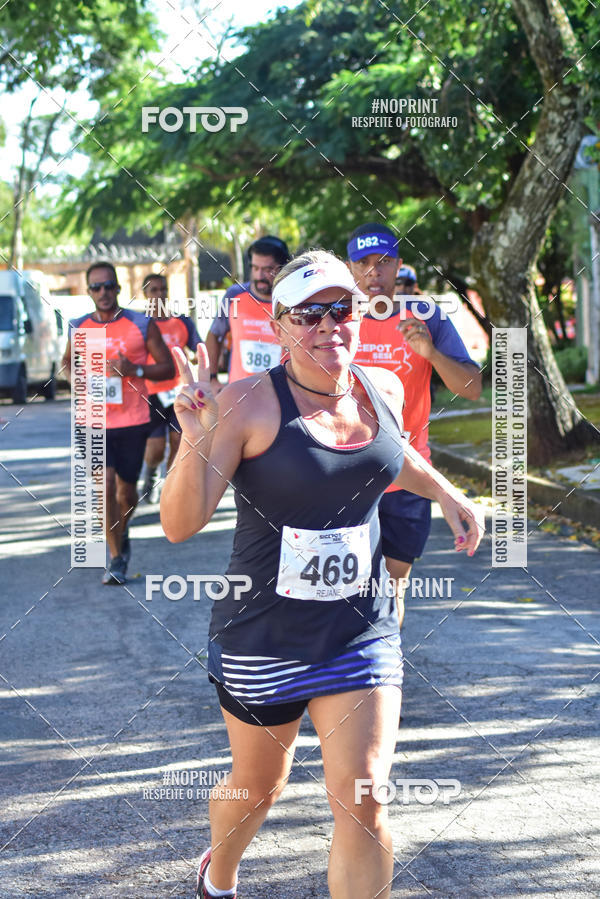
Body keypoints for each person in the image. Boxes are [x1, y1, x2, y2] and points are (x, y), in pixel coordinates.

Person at [160, 250, 484, 899]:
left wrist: (448, 492)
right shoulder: (247, 402)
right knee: (257, 788)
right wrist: (195, 438)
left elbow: (396, 457)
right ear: (279, 325)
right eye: (310, 313)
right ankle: (218, 873)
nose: (329, 325)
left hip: (358, 632)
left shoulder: (380, 389)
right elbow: (180, 523)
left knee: (365, 799)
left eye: (342, 309)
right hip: (263, 636)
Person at [347, 223, 482, 626]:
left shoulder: (425, 317)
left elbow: (472, 388)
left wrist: (431, 352)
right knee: (347, 588)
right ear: (349, 269)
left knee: (392, 586)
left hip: (408, 475)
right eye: (363, 263)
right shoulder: (335, 321)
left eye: (384, 262)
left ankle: (384, 672)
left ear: (398, 266)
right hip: (346, 475)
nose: (374, 272)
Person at [62, 262, 174, 585]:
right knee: (105, 485)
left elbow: (167, 369)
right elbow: (68, 362)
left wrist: (134, 369)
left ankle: (120, 535)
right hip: (93, 420)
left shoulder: (141, 324)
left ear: (118, 289)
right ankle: (115, 558)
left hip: (133, 420)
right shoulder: (78, 326)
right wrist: (76, 382)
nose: (103, 292)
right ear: (88, 291)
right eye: (96, 287)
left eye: (109, 286)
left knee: (127, 493)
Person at [140, 273, 202, 503]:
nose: (159, 294)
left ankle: (170, 487)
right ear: (145, 294)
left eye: (163, 289)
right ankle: (151, 473)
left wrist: (194, 361)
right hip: (151, 394)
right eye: (153, 290)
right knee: (156, 447)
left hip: (179, 392)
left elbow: (199, 349)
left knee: (178, 442)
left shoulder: (182, 321)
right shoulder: (141, 325)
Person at [205, 235, 291, 385]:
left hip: (285, 391)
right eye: (255, 268)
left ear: (283, 268)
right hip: (240, 393)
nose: (259, 275)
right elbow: (215, 334)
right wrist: (212, 379)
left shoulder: (293, 299)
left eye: (267, 269)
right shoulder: (234, 296)